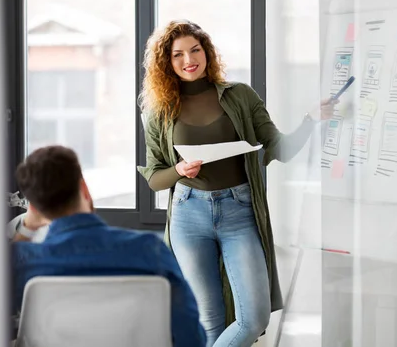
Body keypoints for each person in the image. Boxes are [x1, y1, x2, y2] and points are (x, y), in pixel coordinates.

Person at [137, 20, 335, 347]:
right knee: (210, 322)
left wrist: (310, 121)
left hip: (239, 211)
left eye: (195, 49)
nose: (189, 59)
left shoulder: (240, 96)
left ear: (207, 52)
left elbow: (278, 148)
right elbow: (155, 178)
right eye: (178, 55)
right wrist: (179, 170)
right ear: (167, 63)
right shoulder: (161, 110)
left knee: (253, 319)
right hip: (189, 214)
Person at [10, 145, 206, 347]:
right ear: (84, 188)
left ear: (33, 208)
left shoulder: (22, 262)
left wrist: (26, 229)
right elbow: (191, 337)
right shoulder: (149, 250)